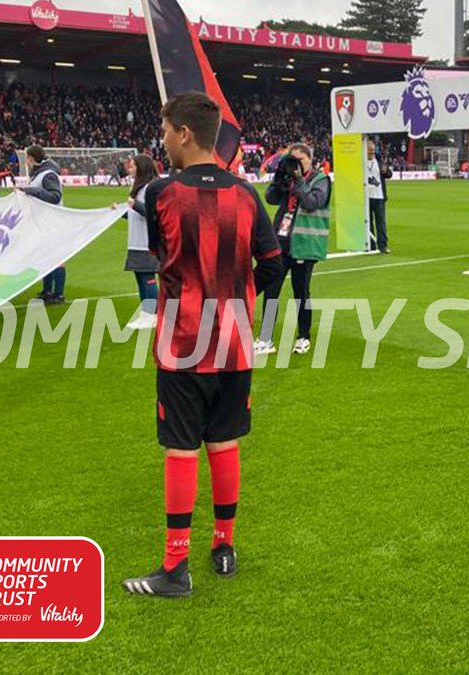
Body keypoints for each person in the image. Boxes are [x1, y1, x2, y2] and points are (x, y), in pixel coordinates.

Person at [122, 91, 283, 598]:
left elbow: (155, 261)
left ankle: (175, 569)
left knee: (180, 447)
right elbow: (273, 264)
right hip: (235, 343)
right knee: (224, 441)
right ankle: (225, 546)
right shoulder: (246, 193)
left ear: (184, 134)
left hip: (183, 343)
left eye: (166, 130)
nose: (163, 139)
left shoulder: (161, 194)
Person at [254, 143, 331, 356]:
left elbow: (312, 202)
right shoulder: (288, 179)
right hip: (281, 241)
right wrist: (280, 178)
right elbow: (270, 199)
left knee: (301, 292)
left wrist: (298, 181)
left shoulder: (320, 180)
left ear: (309, 159)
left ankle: (303, 337)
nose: (295, 165)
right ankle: (265, 338)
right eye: (292, 161)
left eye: (299, 161)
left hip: (304, 244)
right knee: (271, 291)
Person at [20, 146, 67, 305]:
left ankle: (59, 294)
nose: (26, 162)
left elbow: (55, 197)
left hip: (53, 223)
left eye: (27, 158)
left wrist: (32, 191)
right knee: (46, 257)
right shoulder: (40, 174)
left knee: (57, 258)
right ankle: (47, 291)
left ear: (32, 158)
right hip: (43, 222)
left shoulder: (48, 175)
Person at [123, 155, 161, 330]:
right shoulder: (137, 187)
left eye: (133, 166)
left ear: (142, 167)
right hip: (136, 241)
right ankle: (146, 313)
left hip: (147, 241)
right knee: (140, 277)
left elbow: (154, 213)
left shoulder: (149, 188)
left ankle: (154, 315)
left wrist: (135, 205)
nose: (130, 168)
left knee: (147, 278)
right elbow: (135, 213)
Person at [366, 139, 392, 254]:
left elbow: (389, 174)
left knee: (381, 222)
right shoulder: (361, 162)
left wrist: (386, 171)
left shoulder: (379, 161)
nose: (371, 152)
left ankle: (382, 245)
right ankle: (370, 245)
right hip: (366, 196)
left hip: (379, 196)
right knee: (368, 222)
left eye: (372, 150)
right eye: (369, 150)